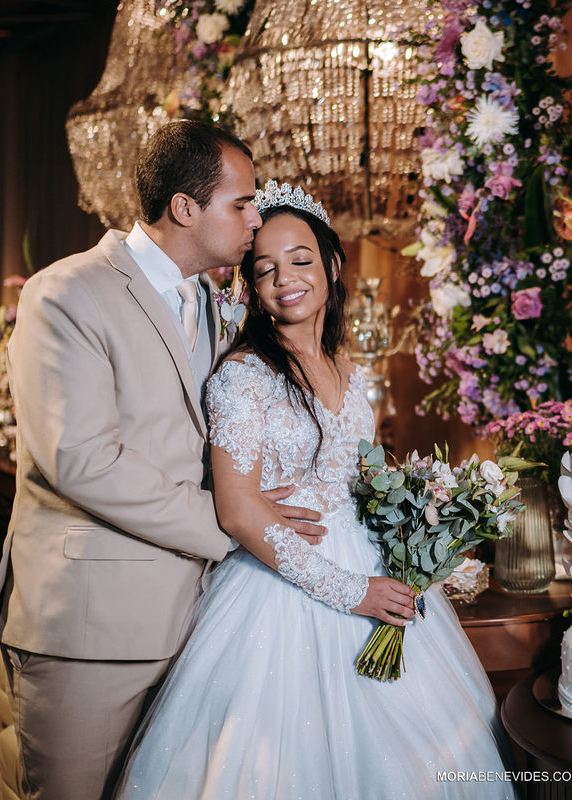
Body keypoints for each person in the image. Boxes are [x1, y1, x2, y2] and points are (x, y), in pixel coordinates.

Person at [116, 182, 516, 799]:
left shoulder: (349, 371)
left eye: (300, 260)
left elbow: (363, 481)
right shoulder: (243, 377)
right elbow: (237, 508)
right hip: (281, 589)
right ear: (251, 285)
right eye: (265, 269)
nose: (285, 280)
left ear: (331, 265)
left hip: (371, 565)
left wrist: (421, 531)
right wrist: (353, 592)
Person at [0, 121, 327, 800]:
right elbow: (82, 458)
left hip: (201, 620)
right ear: (185, 208)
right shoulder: (66, 293)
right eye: (242, 203)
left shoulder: (216, 306)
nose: (256, 220)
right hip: (92, 627)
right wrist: (234, 521)